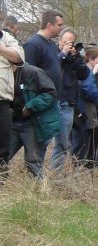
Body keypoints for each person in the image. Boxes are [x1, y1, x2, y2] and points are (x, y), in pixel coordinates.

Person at [23, 10, 64, 163]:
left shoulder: (51, 44)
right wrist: (33, 103)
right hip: (41, 101)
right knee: (37, 141)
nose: (61, 28)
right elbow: (26, 76)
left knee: (45, 140)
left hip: (52, 100)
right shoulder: (32, 44)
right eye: (59, 25)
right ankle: (32, 173)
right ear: (49, 25)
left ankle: (37, 171)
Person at [10, 62, 60, 178]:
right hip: (12, 122)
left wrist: (30, 106)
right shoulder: (4, 73)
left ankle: (37, 187)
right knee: (3, 156)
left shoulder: (34, 72)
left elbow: (50, 93)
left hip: (33, 123)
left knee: (32, 162)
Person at [51, 28, 90, 171]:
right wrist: (63, 54)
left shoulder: (73, 58)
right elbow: (51, 68)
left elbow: (84, 75)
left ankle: (55, 175)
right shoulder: (52, 53)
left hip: (67, 103)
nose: (69, 45)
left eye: (71, 42)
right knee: (42, 141)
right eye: (66, 42)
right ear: (59, 40)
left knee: (63, 143)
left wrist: (77, 57)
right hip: (52, 102)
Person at [72, 48, 98, 168]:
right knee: (82, 142)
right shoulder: (87, 73)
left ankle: (83, 167)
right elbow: (91, 93)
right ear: (91, 60)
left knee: (87, 142)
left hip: (86, 111)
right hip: (84, 111)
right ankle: (78, 168)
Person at [0, 23, 25, 177]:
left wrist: (2, 49)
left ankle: (1, 184)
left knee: (3, 149)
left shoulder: (5, 37)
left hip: (2, 102)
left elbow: (19, 57)